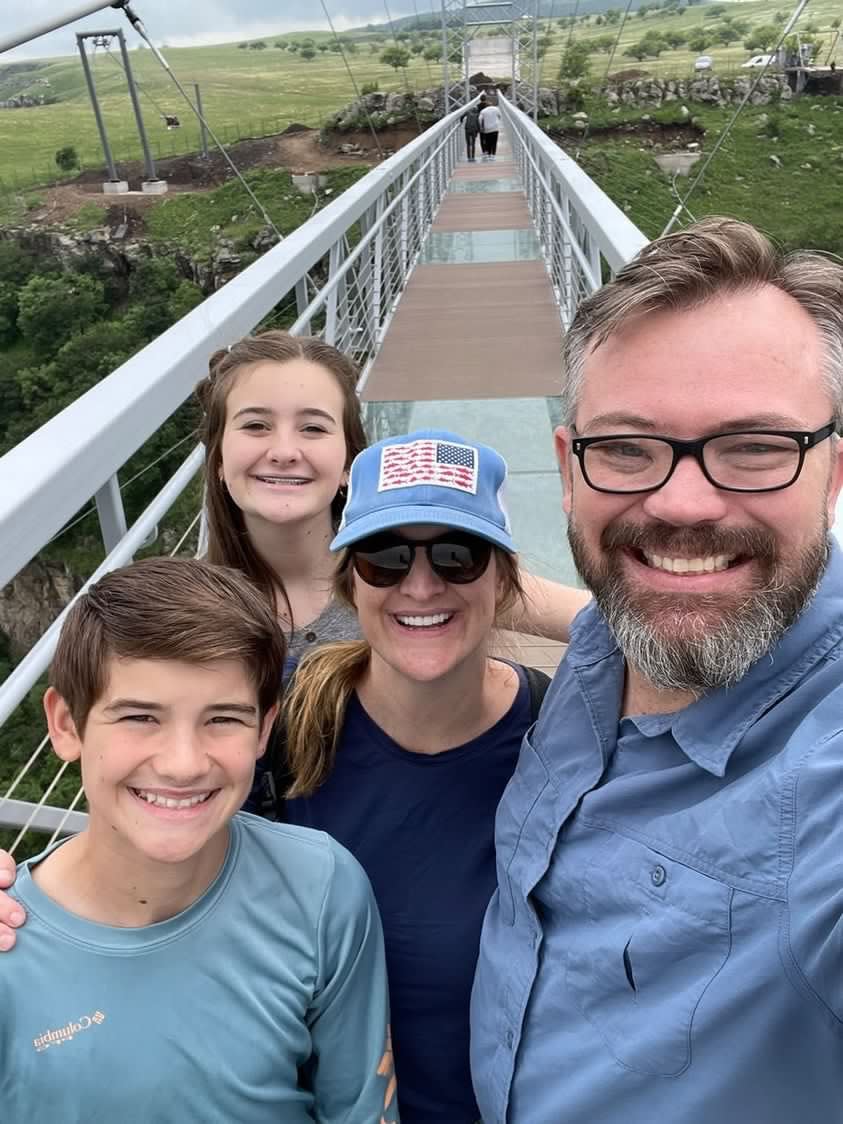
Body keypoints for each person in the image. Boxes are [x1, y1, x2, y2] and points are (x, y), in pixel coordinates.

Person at [470, 217, 843, 1123]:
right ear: (566, 472)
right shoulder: (614, 632)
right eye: (626, 448)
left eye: (754, 447)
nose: (680, 503)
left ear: (833, 471)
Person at [0, 557, 396, 1122]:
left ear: (264, 729)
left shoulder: (320, 889)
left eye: (223, 719)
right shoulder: (10, 955)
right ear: (66, 724)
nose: (183, 764)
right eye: (139, 717)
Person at [271, 429, 552, 1122]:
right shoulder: (286, 721)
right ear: (347, 580)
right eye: (384, 557)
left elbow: (748, 655)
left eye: (459, 556)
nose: (420, 585)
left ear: (507, 579)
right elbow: (151, 824)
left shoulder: (562, 734)